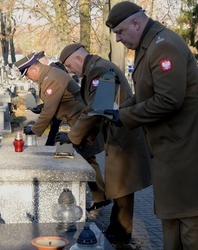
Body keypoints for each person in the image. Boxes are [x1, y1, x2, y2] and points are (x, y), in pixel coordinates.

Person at [103, 2, 198, 249]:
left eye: (120, 31)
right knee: (172, 220)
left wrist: (125, 117)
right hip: (172, 151)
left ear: (136, 23)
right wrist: (117, 112)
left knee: (191, 223)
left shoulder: (164, 47)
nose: (118, 39)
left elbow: (168, 100)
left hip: (189, 152)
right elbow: (144, 94)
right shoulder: (149, 46)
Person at [58, 43, 152, 245]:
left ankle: (120, 232)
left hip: (123, 134)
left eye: (69, 66)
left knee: (123, 185)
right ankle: (118, 229)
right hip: (119, 133)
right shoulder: (96, 68)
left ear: (78, 59)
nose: (69, 71)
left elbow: (97, 107)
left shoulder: (99, 70)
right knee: (120, 185)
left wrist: (73, 137)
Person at [13, 53, 111, 212]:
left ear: (34, 68)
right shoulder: (47, 75)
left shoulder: (50, 78)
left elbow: (50, 109)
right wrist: (41, 108)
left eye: (27, 74)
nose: (27, 78)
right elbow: (55, 102)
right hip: (76, 120)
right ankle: (100, 196)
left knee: (87, 158)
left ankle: (101, 197)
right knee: (87, 158)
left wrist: (35, 130)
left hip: (81, 122)